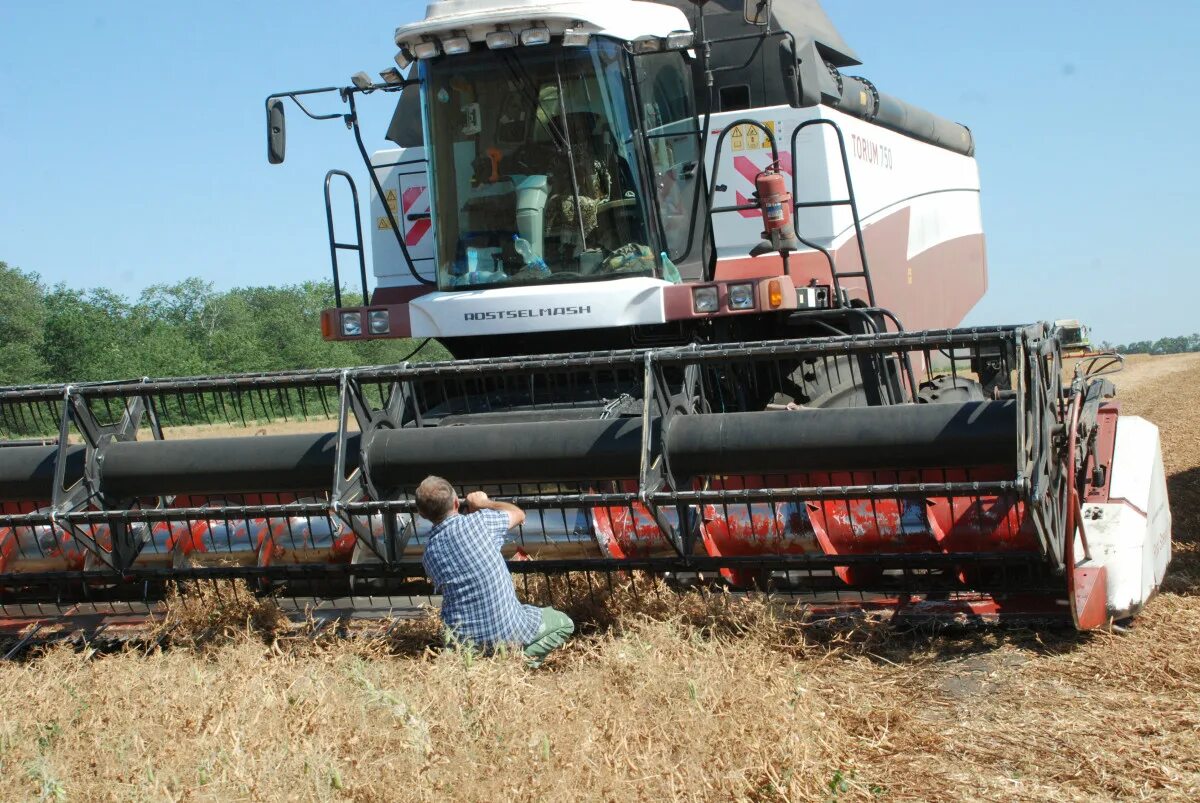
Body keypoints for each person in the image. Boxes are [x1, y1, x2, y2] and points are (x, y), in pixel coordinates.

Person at [415, 475, 574, 666]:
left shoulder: (428, 555)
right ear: (456, 502)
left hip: (464, 645)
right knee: (565, 624)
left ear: (422, 514)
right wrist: (484, 503)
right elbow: (518, 514)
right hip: (510, 631)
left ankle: (479, 664)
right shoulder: (481, 523)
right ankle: (520, 662)